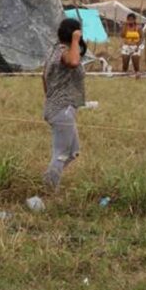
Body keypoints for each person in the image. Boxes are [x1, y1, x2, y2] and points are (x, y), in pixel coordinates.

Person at [42, 18, 86, 193]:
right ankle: (49, 188)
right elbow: (73, 62)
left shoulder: (54, 50)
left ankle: (50, 177)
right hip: (62, 110)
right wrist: (76, 39)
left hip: (58, 107)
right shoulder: (64, 52)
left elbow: (42, 77)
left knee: (73, 151)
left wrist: (50, 97)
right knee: (61, 154)